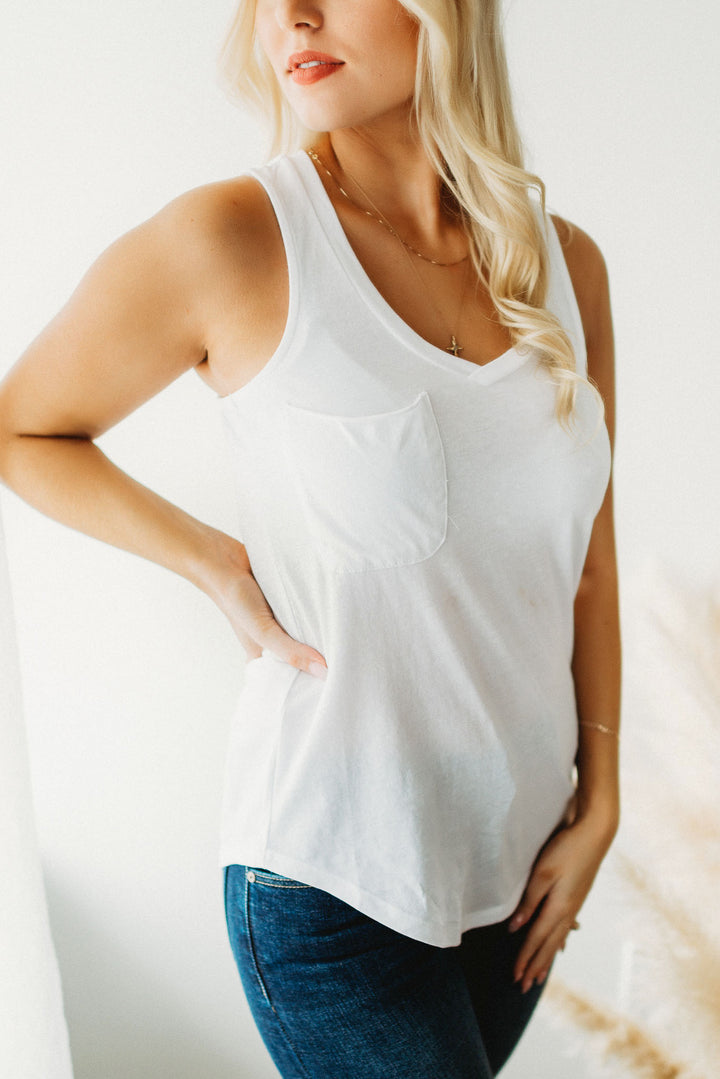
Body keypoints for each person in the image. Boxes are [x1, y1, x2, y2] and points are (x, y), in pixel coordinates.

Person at [0, 0, 621, 1075]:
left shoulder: (565, 265)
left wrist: (601, 796)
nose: (293, 15)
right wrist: (212, 562)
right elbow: (22, 427)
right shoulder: (233, 239)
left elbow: (589, 559)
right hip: (337, 885)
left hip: (517, 874)